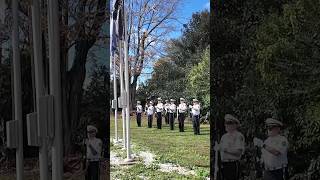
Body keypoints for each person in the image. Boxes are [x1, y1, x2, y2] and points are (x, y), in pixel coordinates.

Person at [216, 114, 245, 180]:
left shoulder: (238, 136)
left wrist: (224, 149)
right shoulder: (224, 136)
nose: (226, 125)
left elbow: (238, 152)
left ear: (235, 125)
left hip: (233, 164)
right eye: (225, 123)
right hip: (223, 164)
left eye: (229, 123)